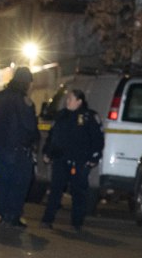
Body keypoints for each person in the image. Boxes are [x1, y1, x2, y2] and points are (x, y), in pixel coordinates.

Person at [40, 89, 104, 231]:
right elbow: (53, 136)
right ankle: (47, 219)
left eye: (70, 99)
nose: (67, 101)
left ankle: (77, 223)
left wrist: (94, 157)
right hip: (61, 159)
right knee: (55, 190)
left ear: (79, 101)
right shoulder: (61, 116)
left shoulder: (89, 117)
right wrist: (47, 152)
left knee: (78, 192)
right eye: (67, 99)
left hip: (80, 161)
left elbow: (97, 139)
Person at [0, 67, 39, 228]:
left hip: (0, 148)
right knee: (19, 184)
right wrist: (34, 141)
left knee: (4, 183)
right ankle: (13, 215)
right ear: (27, 82)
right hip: (18, 149)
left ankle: (4, 214)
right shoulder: (23, 100)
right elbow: (29, 126)